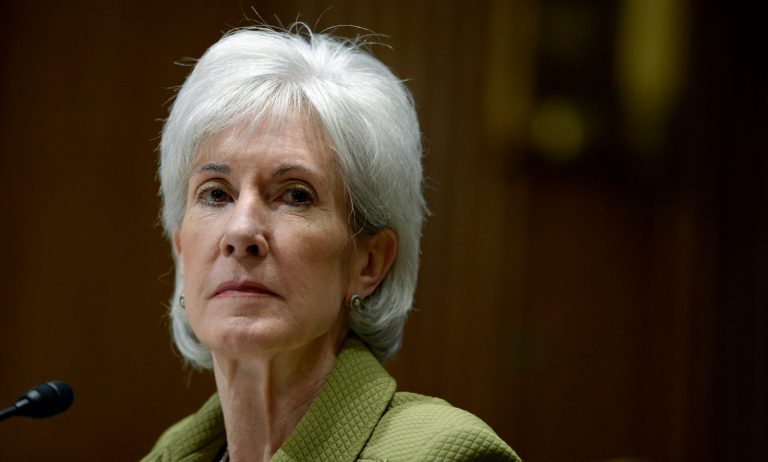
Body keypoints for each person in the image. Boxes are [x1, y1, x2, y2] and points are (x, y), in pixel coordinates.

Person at [141, 24, 520, 462]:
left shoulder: (440, 453)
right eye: (216, 193)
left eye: (296, 195)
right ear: (182, 251)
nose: (241, 232)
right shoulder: (170, 454)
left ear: (369, 262)